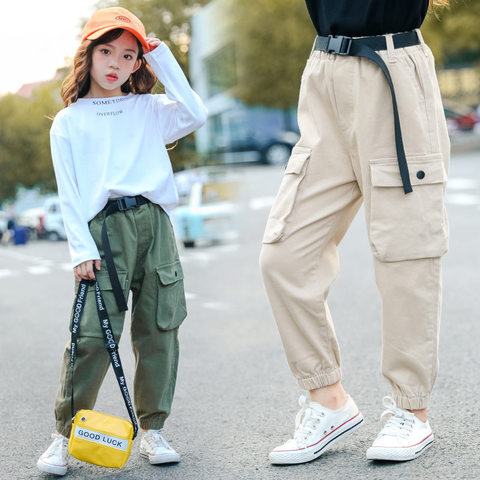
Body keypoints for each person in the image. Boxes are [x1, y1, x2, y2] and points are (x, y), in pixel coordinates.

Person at [260, 0, 450, 465]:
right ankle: (329, 401)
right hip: (323, 75)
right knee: (283, 254)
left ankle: (412, 411)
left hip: (392, 72)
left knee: (403, 254)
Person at [37, 7, 207, 476]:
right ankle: (63, 435)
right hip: (102, 232)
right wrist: (80, 249)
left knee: (159, 328)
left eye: (128, 55)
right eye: (106, 51)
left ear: (138, 64)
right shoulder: (68, 122)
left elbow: (196, 112)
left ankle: (152, 429)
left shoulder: (149, 110)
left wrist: (161, 54)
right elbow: (68, 191)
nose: (115, 63)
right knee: (91, 336)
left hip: (153, 225)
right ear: (88, 55)